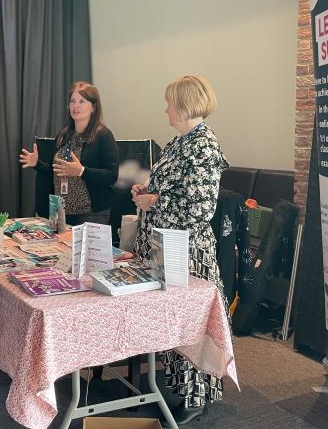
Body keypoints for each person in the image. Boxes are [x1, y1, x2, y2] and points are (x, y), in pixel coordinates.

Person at [131, 76, 229, 425]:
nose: (166, 109)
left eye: (170, 103)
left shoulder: (203, 146)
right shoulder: (180, 141)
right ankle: (180, 389)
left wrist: (153, 201)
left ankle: (196, 397)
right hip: (167, 249)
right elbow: (172, 188)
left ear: (185, 106)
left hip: (189, 254)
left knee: (190, 328)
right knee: (174, 326)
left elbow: (199, 210)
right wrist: (149, 189)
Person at [20, 82, 119, 226]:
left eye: (81, 101)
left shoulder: (103, 136)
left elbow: (111, 175)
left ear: (93, 107)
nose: (75, 106)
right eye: (72, 101)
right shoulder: (64, 135)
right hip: (60, 212)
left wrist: (82, 171)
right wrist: (37, 164)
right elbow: (57, 172)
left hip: (90, 214)